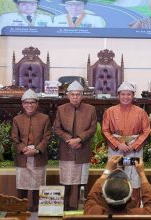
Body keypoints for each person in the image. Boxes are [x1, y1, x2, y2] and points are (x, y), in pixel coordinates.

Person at [101, 81, 150, 206]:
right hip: (116, 149)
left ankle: (134, 206)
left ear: (133, 96)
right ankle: (115, 203)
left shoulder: (141, 112)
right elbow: (105, 130)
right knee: (115, 173)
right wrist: (118, 144)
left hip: (134, 150)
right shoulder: (110, 112)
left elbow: (146, 131)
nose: (126, 97)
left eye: (129, 94)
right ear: (118, 95)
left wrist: (133, 146)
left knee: (135, 175)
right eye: (123, 94)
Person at [53, 81, 97, 210]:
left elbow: (92, 128)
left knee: (80, 181)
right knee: (66, 180)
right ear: (68, 95)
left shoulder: (90, 109)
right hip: (66, 149)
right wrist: (69, 140)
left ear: (82, 96)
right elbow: (57, 128)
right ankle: (65, 207)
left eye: (78, 94)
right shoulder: (61, 109)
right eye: (72, 94)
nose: (75, 97)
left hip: (82, 149)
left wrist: (79, 139)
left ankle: (77, 207)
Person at [11, 89, 52, 211]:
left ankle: (37, 208)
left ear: (37, 104)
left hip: (38, 155)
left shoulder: (45, 118)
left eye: (32, 102)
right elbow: (14, 138)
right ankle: (21, 208)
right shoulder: (17, 119)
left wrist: (37, 150)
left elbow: (47, 137)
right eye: (27, 103)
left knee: (37, 183)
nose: (30, 105)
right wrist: (23, 149)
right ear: (23, 104)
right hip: (22, 156)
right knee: (22, 184)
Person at [84, 155, 151, 215]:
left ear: (103, 197)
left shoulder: (94, 212)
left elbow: (92, 197)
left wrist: (106, 171)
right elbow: (150, 205)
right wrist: (142, 174)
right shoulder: (140, 214)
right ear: (130, 198)